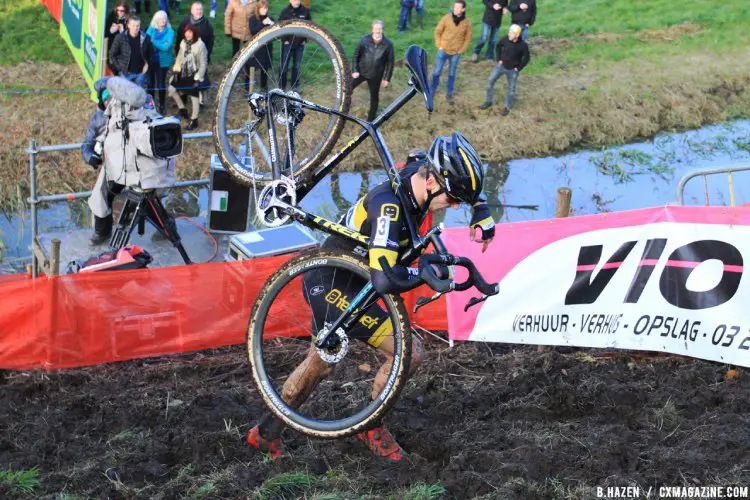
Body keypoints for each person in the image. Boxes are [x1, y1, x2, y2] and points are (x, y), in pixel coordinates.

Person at [246, 132, 497, 461]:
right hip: (336, 280)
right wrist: (422, 274)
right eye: (452, 199)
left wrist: (481, 209)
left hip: (354, 279)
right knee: (410, 353)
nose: (452, 206)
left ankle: (264, 433)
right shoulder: (388, 208)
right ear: (433, 181)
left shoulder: (422, 169)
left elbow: (419, 154)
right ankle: (370, 425)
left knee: (319, 363)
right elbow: (385, 280)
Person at [81, 78, 120, 246]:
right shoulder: (97, 118)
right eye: (106, 99)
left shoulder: (131, 114)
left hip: (132, 163)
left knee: (146, 197)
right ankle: (102, 232)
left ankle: (165, 226)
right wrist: (91, 157)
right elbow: (86, 144)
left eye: (112, 99)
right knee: (101, 195)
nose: (109, 102)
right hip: (111, 166)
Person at [479, 24, 530, 115]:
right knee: (490, 80)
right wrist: (499, 59)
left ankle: (507, 107)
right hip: (501, 66)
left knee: (511, 89)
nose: (509, 34)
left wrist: (518, 68)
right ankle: (488, 101)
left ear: (517, 35)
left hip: (512, 70)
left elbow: (526, 58)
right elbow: (498, 46)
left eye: (512, 33)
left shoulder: (523, 45)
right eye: (509, 32)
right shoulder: (505, 39)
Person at [351, 20, 394, 122]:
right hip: (361, 72)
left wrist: (386, 78)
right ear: (372, 29)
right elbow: (356, 56)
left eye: (379, 29)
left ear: (382, 30)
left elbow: (390, 63)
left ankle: (370, 121)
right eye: (376, 29)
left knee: (374, 99)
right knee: (348, 88)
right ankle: (341, 108)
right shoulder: (364, 40)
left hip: (376, 75)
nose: (377, 31)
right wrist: (355, 70)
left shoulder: (388, 45)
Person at [430, 0, 472, 105]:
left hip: (456, 53)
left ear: (463, 9)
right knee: (437, 71)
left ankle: (449, 93)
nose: (455, 9)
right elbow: (438, 31)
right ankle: (432, 90)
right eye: (455, 7)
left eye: (458, 8)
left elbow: (468, 38)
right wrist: (439, 45)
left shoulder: (466, 22)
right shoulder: (446, 18)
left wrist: (461, 50)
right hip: (443, 50)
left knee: (452, 73)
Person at [169, 25, 208, 130]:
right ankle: (183, 109)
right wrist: (175, 71)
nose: (188, 34)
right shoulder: (183, 42)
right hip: (182, 73)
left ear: (194, 33)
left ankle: (194, 119)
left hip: (194, 74)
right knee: (172, 90)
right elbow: (179, 57)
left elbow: (203, 63)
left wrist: (198, 77)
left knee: (193, 96)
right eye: (186, 32)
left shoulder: (200, 45)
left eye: (190, 32)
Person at [109, 16, 153, 89]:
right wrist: (120, 68)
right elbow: (112, 54)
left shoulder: (146, 38)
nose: (136, 28)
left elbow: (151, 55)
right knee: (124, 96)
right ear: (128, 25)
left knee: (137, 97)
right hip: (125, 74)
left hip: (140, 74)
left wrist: (147, 66)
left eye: (137, 26)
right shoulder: (121, 37)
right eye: (133, 26)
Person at [146, 10, 175, 114]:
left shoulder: (170, 32)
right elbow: (147, 42)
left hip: (162, 62)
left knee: (161, 83)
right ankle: (150, 104)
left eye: (164, 19)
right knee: (150, 83)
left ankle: (162, 105)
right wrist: (161, 43)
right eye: (160, 19)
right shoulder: (151, 29)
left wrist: (153, 41)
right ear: (156, 20)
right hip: (151, 60)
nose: (163, 21)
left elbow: (166, 47)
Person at [278, 0, 311, 91]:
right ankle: (281, 87)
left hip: (300, 44)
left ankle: (295, 87)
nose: (296, 1)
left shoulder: (305, 11)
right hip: (287, 43)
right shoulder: (285, 12)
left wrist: (305, 39)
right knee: (284, 66)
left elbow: (309, 26)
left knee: (297, 66)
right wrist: (284, 40)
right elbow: (279, 27)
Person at [247, 1, 275, 91]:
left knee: (265, 68)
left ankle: (264, 86)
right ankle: (248, 87)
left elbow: (275, 32)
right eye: (262, 8)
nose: (264, 10)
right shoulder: (253, 19)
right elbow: (253, 31)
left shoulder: (269, 18)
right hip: (257, 47)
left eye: (266, 8)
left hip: (266, 47)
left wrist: (271, 24)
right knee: (251, 66)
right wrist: (262, 23)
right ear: (258, 9)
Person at [106, 1, 130, 69]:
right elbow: (105, 32)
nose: (119, 12)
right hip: (111, 44)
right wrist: (110, 31)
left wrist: (122, 30)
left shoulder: (129, 20)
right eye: (117, 10)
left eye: (122, 11)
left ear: (126, 11)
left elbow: (129, 39)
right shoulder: (112, 15)